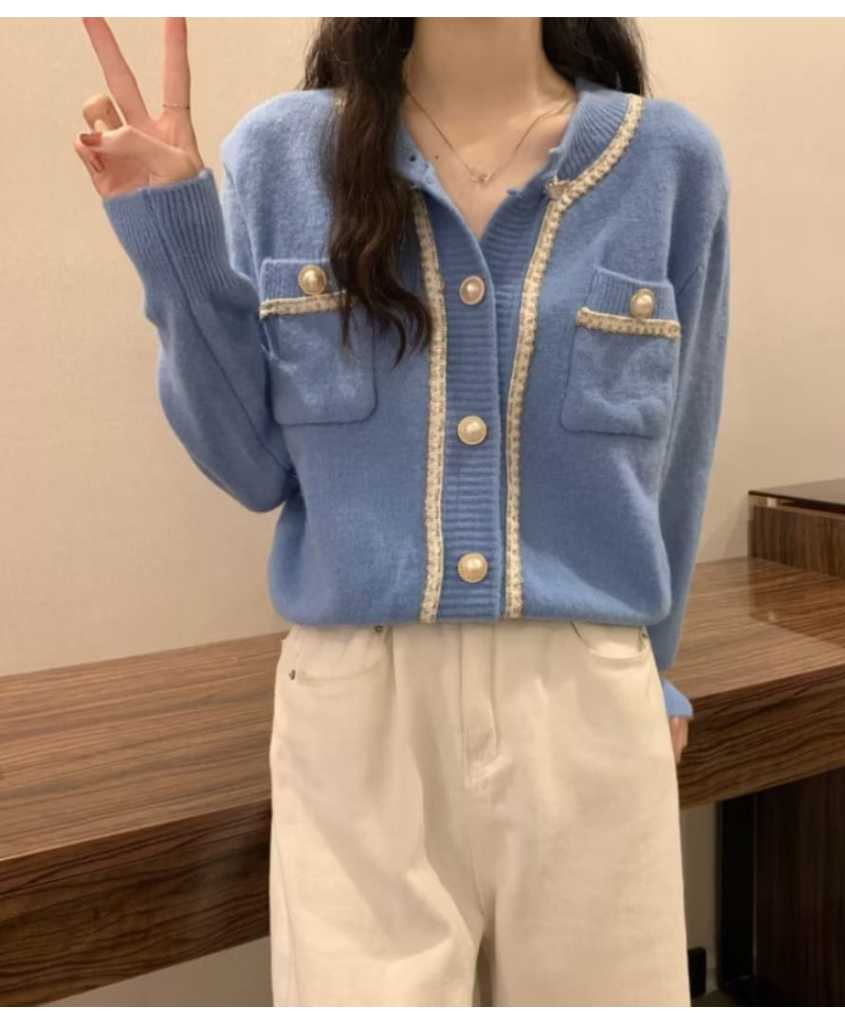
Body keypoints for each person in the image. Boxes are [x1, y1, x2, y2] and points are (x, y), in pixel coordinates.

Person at [75, 16, 730, 1008]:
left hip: (589, 708)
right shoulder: (282, 154)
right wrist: (170, 232)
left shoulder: (669, 163)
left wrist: (659, 673)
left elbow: (679, 450)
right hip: (356, 718)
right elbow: (252, 467)